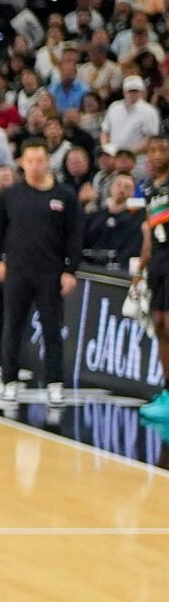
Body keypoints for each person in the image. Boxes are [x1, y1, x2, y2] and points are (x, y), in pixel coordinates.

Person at [0, 143, 83, 406]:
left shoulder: (64, 195)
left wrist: (70, 270)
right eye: (30, 160)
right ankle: (9, 381)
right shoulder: (11, 194)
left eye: (40, 160)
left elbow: (74, 236)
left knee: (52, 330)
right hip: (17, 271)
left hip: (50, 273)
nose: (35, 165)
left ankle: (54, 383)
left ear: (48, 161)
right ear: (22, 163)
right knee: (12, 327)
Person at [139, 166, 169, 425]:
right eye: (153, 151)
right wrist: (140, 268)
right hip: (158, 265)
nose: (157, 155)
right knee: (159, 326)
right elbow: (149, 233)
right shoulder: (150, 190)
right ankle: (167, 393)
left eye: (163, 150)